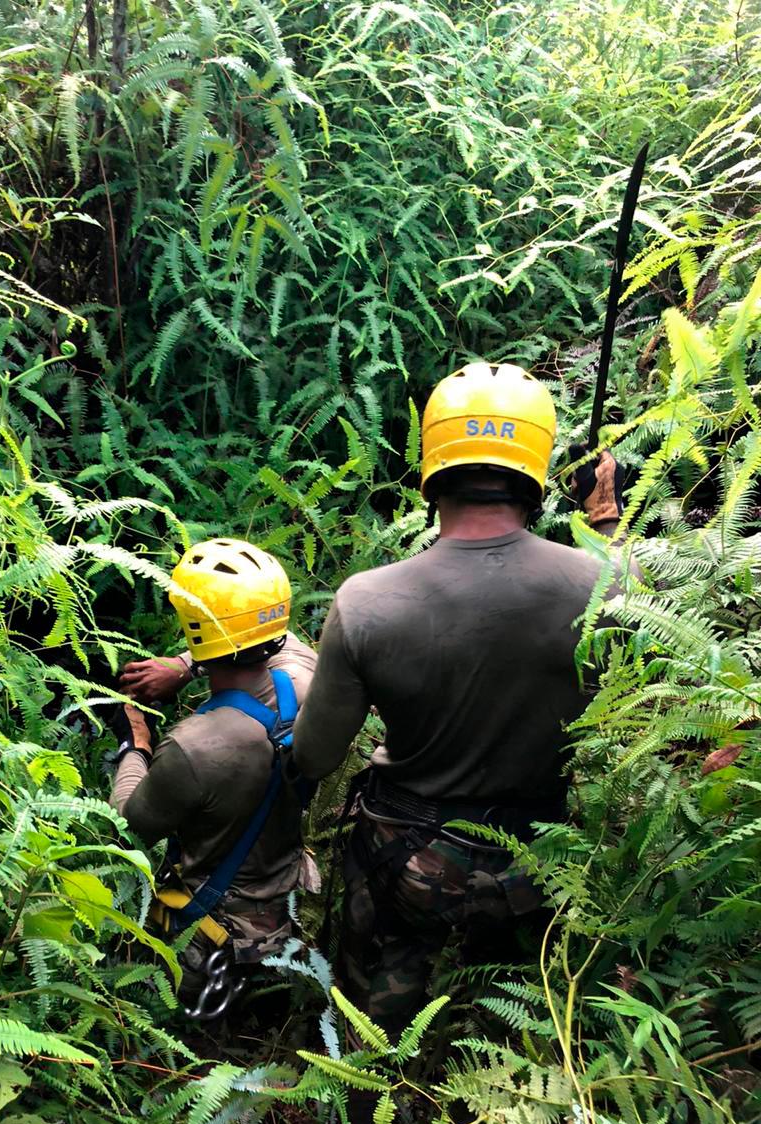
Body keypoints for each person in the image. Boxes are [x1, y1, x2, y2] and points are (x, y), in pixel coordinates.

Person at [292, 361, 629, 1045]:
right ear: (537, 469)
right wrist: (603, 512)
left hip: (405, 863)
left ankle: (365, 1115)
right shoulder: (608, 586)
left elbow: (314, 755)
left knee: (368, 1039)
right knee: (513, 1037)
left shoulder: (368, 601)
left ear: (433, 465)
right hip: (537, 863)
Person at [109, 538, 316, 1015]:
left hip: (212, 939)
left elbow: (131, 820)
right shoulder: (307, 675)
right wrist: (186, 665)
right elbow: (284, 642)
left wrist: (134, 742)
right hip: (292, 897)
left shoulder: (195, 746)